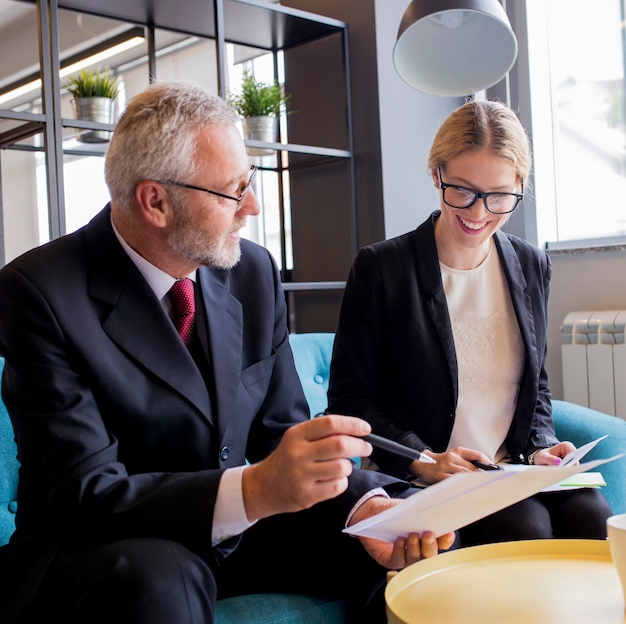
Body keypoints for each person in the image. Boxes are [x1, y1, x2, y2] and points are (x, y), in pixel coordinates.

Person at [0, 81, 454, 624]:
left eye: (251, 181)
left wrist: (370, 507)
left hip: (231, 530)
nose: (254, 207)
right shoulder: (38, 291)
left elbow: (280, 430)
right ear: (156, 201)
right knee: (161, 579)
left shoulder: (250, 271)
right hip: (100, 545)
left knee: (397, 538)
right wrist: (256, 489)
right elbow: (87, 493)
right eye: (233, 191)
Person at [327, 99, 613, 548]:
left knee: (595, 518)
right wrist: (423, 458)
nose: (478, 213)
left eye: (499, 195)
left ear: (520, 184)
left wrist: (541, 446)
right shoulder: (382, 268)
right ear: (435, 173)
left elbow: (534, 384)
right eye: (461, 190)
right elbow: (349, 401)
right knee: (526, 528)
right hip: (426, 474)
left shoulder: (530, 264)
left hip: (509, 470)